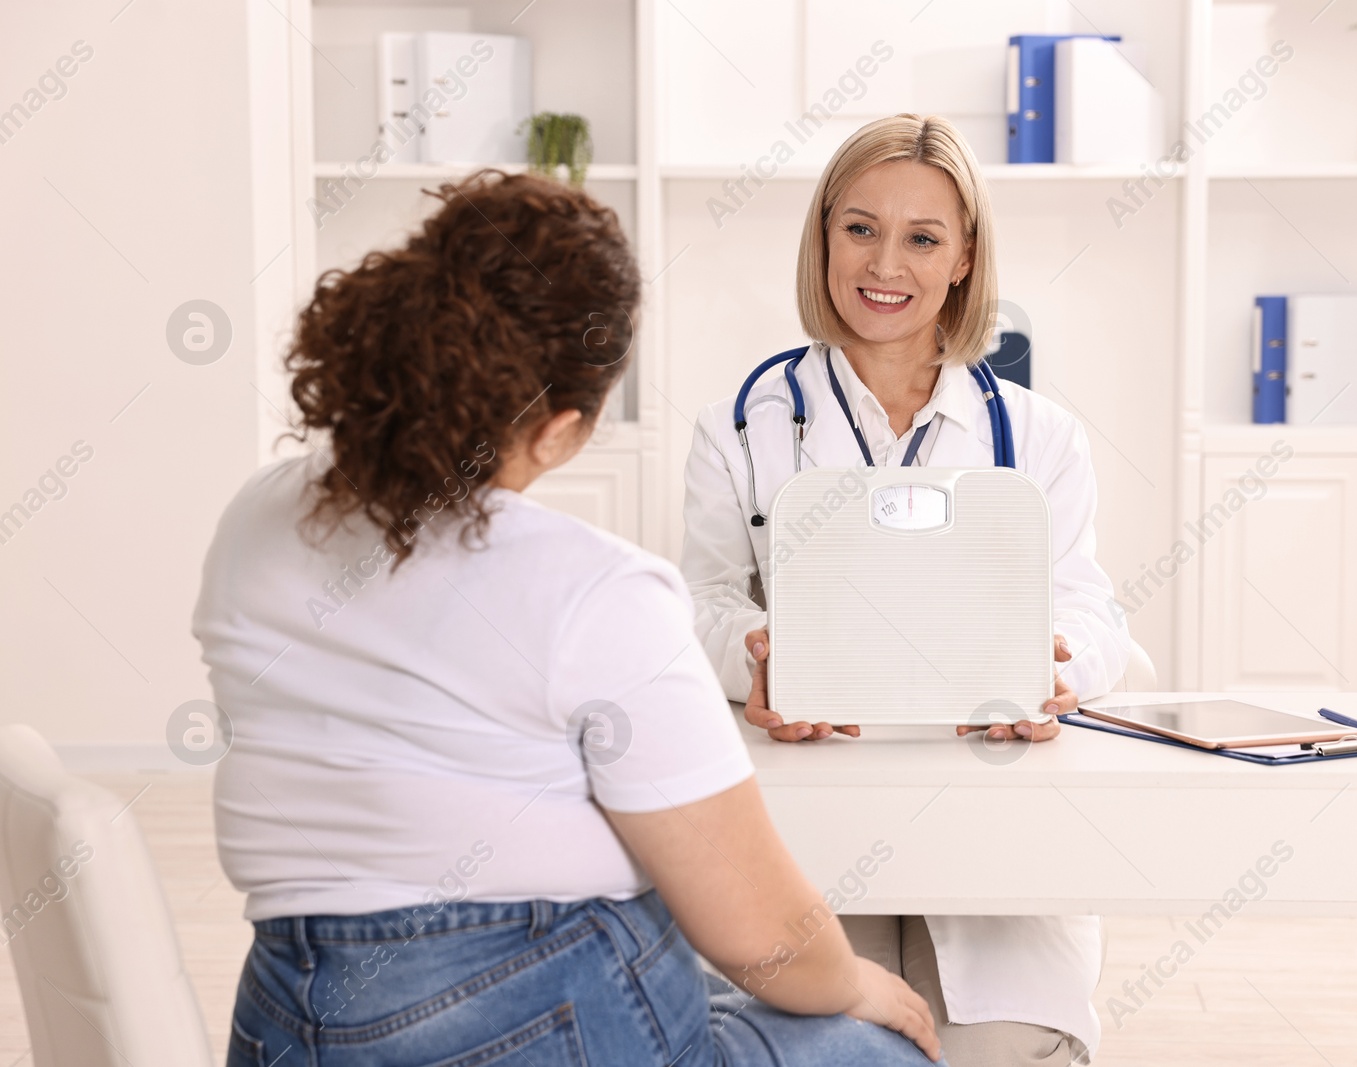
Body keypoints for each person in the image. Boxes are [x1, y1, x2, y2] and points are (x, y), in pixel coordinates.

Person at [193, 169, 944, 1067]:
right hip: (529, 1018)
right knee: (880, 1050)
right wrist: (860, 988)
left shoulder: (257, 516)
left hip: (290, 1013)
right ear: (558, 429)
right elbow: (761, 932)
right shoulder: (593, 589)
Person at [679, 114, 1132, 1065]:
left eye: (923, 237)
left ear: (965, 256)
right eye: (859, 228)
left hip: (988, 818)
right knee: (828, 1046)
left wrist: (1057, 668)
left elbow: (1091, 612)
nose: (886, 263)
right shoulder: (741, 429)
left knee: (994, 1048)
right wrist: (761, 653)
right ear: (824, 236)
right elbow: (705, 602)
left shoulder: (1040, 437)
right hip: (806, 818)